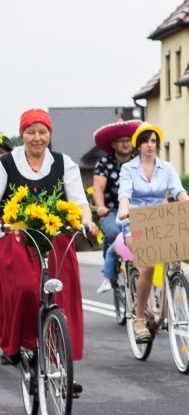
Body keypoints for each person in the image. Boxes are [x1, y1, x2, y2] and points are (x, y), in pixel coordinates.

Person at [0, 109, 98, 394]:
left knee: (60, 292)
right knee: (24, 289)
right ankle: (22, 345)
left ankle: (59, 364)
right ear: (22, 134)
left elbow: (79, 201)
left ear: (50, 134)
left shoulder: (63, 163)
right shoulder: (7, 163)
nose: (37, 138)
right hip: (18, 235)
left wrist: (87, 221)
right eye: (31, 131)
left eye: (42, 132)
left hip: (53, 234)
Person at [117, 122, 189, 343]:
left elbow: (178, 190)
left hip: (160, 221)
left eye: (153, 141)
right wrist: (123, 208)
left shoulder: (167, 168)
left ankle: (168, 300)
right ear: (138, 145)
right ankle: (139, 318)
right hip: (134, 221)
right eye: (146, 141)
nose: (150, 145)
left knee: (176, 259)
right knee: (147, 264)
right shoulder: (128, 169)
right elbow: (125, 193)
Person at [92, 118, 141, 293]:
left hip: (137, 209)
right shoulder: (104, 163)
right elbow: (98, 189)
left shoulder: (139, 160)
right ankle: (111, 268)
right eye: (121, 141)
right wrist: (100, 207)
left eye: (128, 140)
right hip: (112, 210)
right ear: (113, 144)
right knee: (113, 232)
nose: (126, 144)